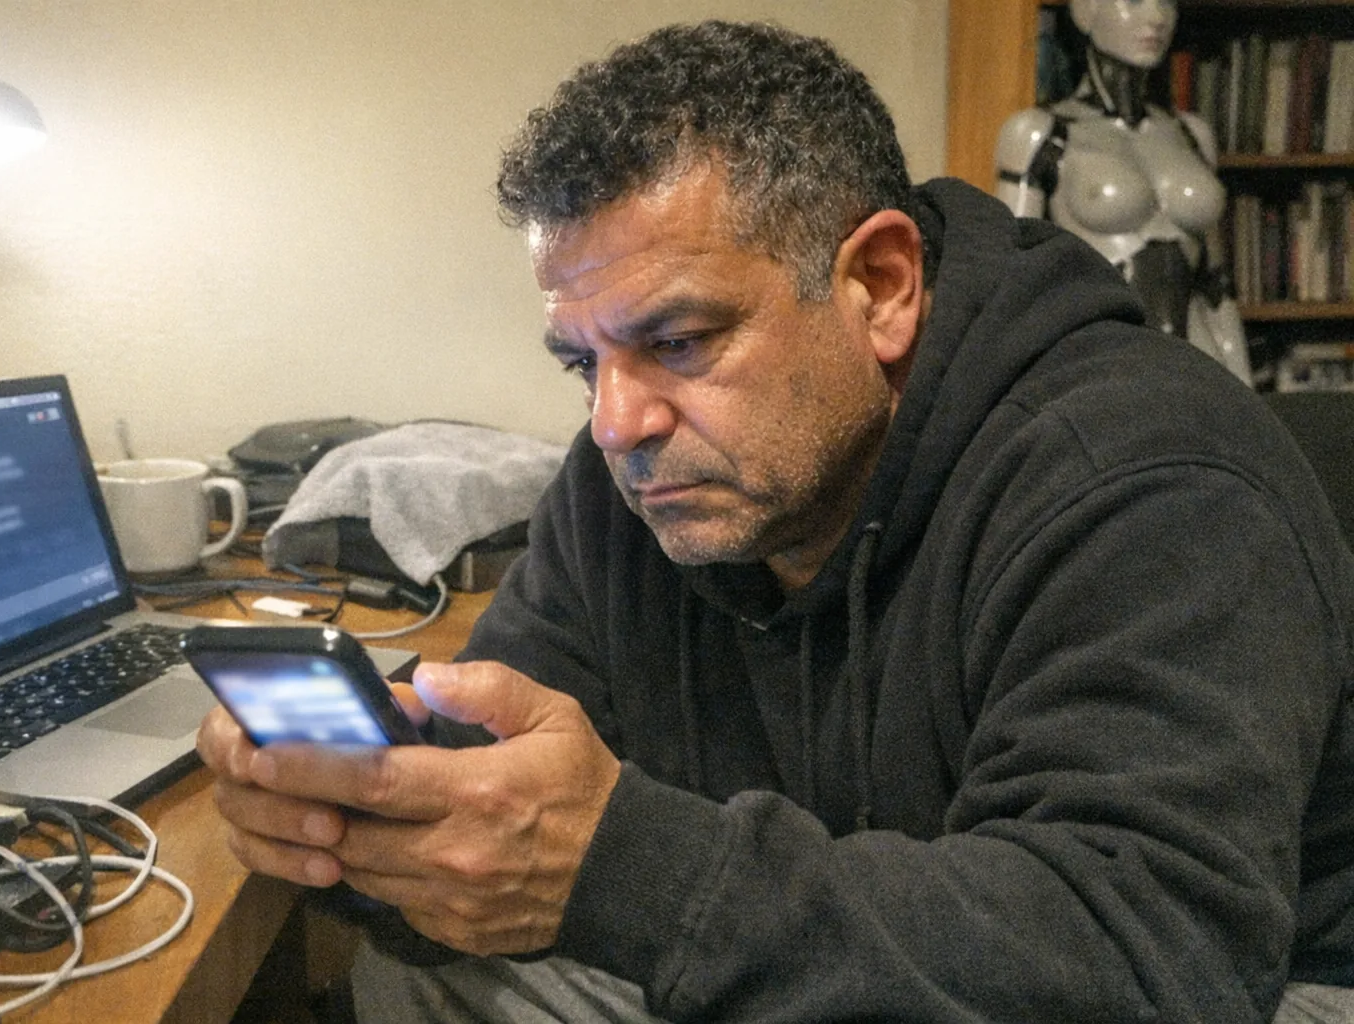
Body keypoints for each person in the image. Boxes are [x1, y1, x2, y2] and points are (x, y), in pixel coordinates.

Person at [198, 19, 1354, 1023]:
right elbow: (512, 802)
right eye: (581, 361)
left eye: (682, 342)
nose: (615, 421)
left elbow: (1150, 959)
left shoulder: (1143, 478)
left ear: (883, 285)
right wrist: (371, 821)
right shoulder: (626, 481)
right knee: (431, 982)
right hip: (871, 947)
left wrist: (628, 876)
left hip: (1240, 981)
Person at [995, 0, 1255, 386]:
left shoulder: (1192, 135)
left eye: (1167, 1)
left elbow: (1216, 285)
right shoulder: (1040, 134)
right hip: (1100, 368)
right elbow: (1011, 282)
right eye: (1132, 0)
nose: (1157, 17)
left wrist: (1247, 397)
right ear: (1085, 11)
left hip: (1202, 365)